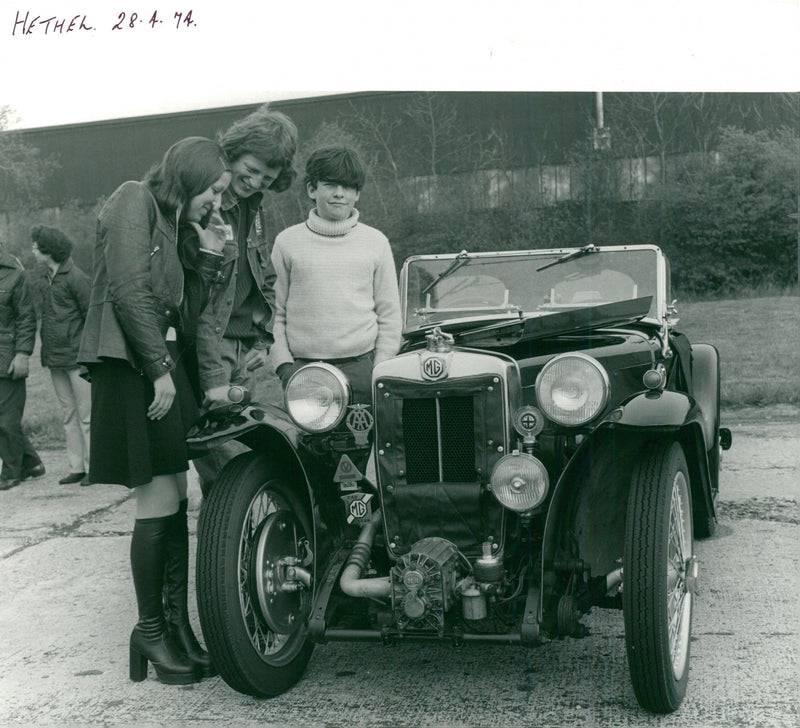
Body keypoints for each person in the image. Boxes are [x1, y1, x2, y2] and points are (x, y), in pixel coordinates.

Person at [77, 137, 230, 685]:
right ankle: (149, 629)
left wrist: (209, 252)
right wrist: (160, 369)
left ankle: (174, 627)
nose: (217, 203)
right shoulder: (132, 199)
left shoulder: (176, 227)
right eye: (213, 191)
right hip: (133, 367)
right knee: (159, 497)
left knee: (172, 498)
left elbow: (187, 321)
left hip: (155, 363)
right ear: (190, 176)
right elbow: (126, 289)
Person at [193, 105, 297, 494]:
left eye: (266, 178)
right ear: (232, 153)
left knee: (239, 445)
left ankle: (239, 543)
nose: (254, 182)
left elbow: (263, 278)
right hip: (210, 344)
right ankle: (224, 545)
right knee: (223, 456)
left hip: (242, 348)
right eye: (249, 170)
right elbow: (201, 293)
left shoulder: (255, 209)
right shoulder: (209, 203)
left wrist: (263, 339)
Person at [271, 146, 402, 411]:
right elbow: (273, 313)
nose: (339, 194)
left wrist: (380, 366)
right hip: (304, 372)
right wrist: (285, 367)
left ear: (357, 194)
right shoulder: (286, 242)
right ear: (311, 190)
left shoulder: (376, 242)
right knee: (307, 450)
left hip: (363, 371)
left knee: (372, 448)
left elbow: (389, 312)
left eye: (348, 187)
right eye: (330, 185)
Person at [30, 225, 92, 486]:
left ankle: (95, 467)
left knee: (87, 415)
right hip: (55, 357)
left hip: (77, 358)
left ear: (48, 249)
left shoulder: (76, 277)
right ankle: (77, 467)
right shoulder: (44, 277)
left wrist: (89, 356)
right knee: (68, 413)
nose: (32, 250)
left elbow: (91, 316)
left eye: (35, 246)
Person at [0, 243, 45, 491]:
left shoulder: (15, 273)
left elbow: (26, 317)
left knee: (6, 420)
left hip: (7, 357)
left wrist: (22, 354)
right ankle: (32, 463)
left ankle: (10, 473)